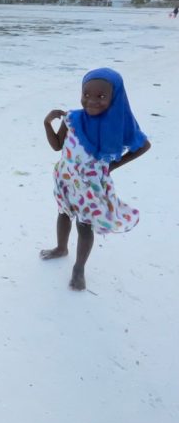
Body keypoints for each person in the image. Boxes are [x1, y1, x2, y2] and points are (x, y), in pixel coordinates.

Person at [40, 68, 151, 290]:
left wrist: (112, 165)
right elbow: (57, 146)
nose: (91, 101)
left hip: (91, 185)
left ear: (115, 97)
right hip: (65, 177)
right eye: (86, 94)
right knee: (63, 213)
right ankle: (61, 248)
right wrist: (46, 123)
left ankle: (79, 267)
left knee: (84, 224)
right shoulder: (72, 118)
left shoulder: (119, 123)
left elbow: (144, 146)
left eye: (101, 96)